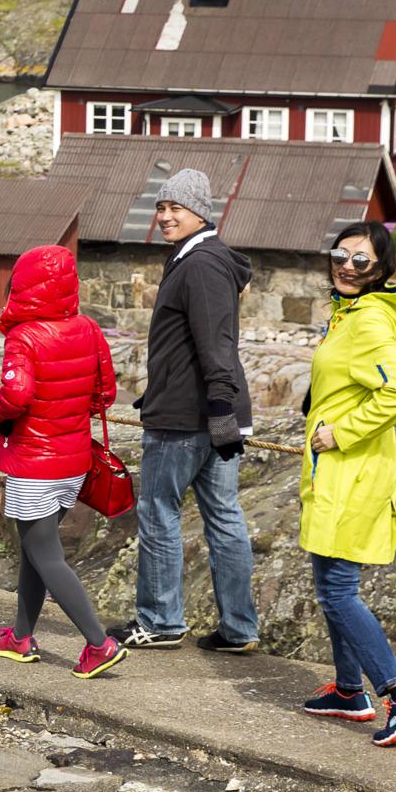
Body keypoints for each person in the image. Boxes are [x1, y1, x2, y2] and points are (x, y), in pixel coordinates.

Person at [297, 221, 396, 747]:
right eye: (342, 254)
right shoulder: (349, 312)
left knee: (337, 592)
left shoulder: (368, 321)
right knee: (331, 585)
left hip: (350, 470)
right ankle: (349, 692)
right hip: (337, 471)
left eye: (362, 261)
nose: (348, 266)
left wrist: (341, 434)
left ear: (381, 270)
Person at [114, 167, 261, 652]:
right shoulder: (205, 259)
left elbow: (214, 341)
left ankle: (160, 621)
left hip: (191, 416)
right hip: (208, 410)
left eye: (176, 208)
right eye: (161, 207)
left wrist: (217, 405)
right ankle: (239, 629)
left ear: (200, 213)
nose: (165, 216)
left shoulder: (199, 265)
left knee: (159, 512)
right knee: (223, 516)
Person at [0, 244, 127, 680]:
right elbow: (105, 394)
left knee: (46, 553)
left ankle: (99, 644)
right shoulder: (88, 328)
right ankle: (20, 637)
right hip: (75, 460)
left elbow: (16, 396)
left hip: (35, 463)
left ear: (23, 285)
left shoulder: (24, 337)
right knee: (35, 548)